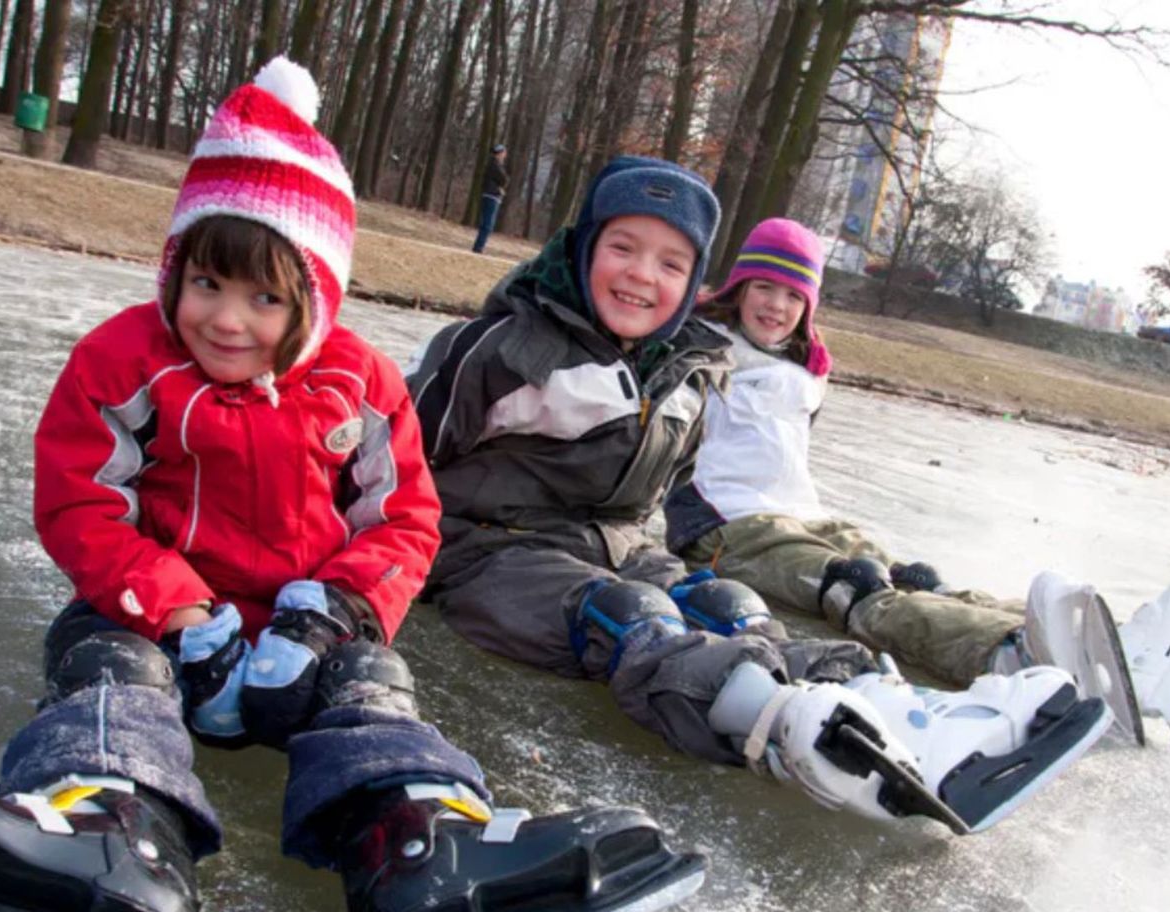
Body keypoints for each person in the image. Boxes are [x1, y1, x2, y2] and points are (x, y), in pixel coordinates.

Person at [0, 61, 705, 912]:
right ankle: (112, 828)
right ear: (175, 267)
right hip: (160, 619)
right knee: (106, 665)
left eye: (265, 299)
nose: (226, 319)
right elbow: (80, 502)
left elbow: (404, 519)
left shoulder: (360, 383)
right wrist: (176, 612)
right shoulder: (122, 360)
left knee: (373, 690)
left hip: (306, 636)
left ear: (316, 297)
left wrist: (331, 617)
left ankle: (414, 843)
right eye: (207, 282)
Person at [407, 156, 1114, 840]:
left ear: (690, 284)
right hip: (488, 551)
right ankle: (781, 726)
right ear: (583, 247)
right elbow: (399, 453)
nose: (641, 275)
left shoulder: (685, 371)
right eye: (623, 247)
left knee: (728, 606)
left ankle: (888, 706)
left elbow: (656, 493)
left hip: (614, 543)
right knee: (631, 617)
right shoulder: (504, 351)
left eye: (670, 263)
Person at [663, 217, 1170, 748]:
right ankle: (1008, 652)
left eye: (794, 294)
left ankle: (1122, 650)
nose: (776, 305)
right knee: (859, 592)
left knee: (918, 581)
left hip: (805, 514)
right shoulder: (698, 352)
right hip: (727, 527)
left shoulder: (803, 371)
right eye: (764, 287)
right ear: (739, 288)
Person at [471, 144, 508, 254]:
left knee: (486, 223)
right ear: (500, 153)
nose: (504, 155)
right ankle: (479, 247)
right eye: (503, 153)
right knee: (488, 224)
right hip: (492, 195)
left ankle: (479, 246)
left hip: (490, 194)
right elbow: (504, 179)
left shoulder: (492, 164)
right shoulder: (495, 165)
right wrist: (500, 188)